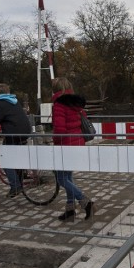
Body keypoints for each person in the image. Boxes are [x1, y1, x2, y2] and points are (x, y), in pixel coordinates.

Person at [51, 77, 95, 221]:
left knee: (61, 178)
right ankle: (70, 210)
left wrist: (55, 142)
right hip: (77, 143)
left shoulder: (59, 104)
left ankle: (85, 201)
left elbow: (60, 129)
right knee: (68, 176)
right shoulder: (75, 103)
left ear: (56, 89)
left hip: (65, 145)